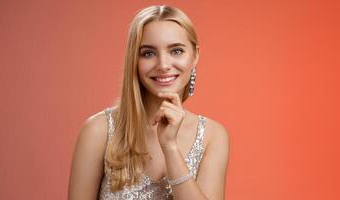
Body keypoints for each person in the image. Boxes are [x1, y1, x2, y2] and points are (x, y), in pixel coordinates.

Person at [68, 5, 229, 200]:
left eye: (176, 51)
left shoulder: (212, 135)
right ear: (133, 59)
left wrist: (170, 147)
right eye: (148, 53)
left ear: (194, 56)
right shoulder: (99, 130)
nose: (163, 65)